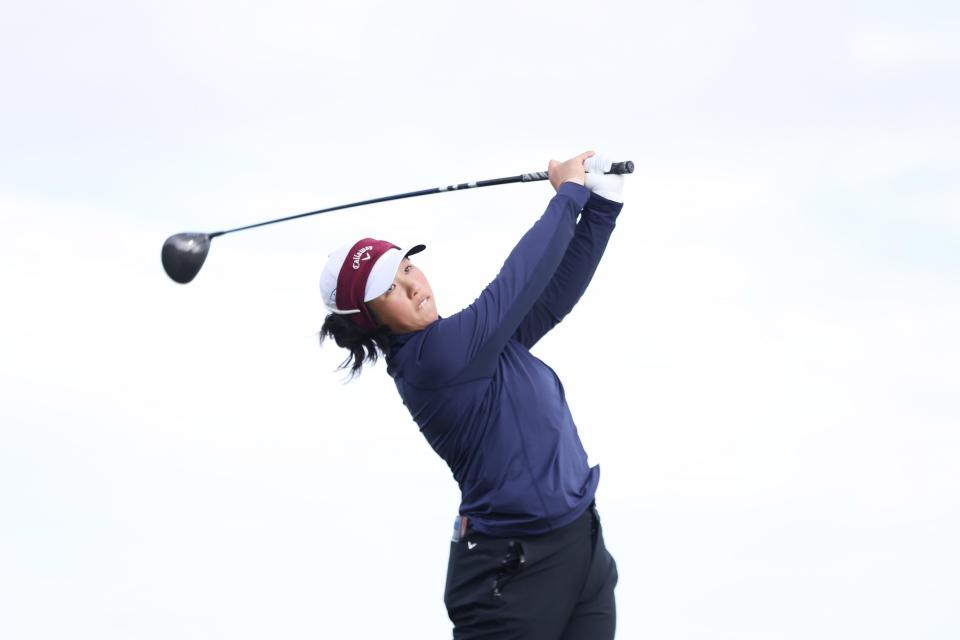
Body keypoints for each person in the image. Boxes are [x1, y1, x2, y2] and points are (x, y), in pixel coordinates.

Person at [318, 151, 624, 639]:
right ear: (370, 321)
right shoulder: (435, 360)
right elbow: (518, 282)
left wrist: (604, 206)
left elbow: (551, 295)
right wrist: (569, 195)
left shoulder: (474, 345)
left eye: (408, 269)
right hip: (510, 576)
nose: (414, 287)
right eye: (391, 290)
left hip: (579, 548)